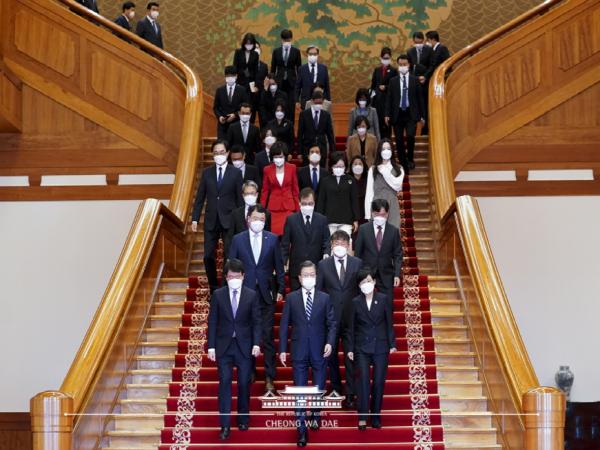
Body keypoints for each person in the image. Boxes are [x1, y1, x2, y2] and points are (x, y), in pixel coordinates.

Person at [228, 205, 286, 393]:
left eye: (262, 219)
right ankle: (249, 370)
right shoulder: (238, 239)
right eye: (255, 218)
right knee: (246, 335)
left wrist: (281, 288)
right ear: (248, 219)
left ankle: (270, 377)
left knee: (267, 336)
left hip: (266, 295)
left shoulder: (272, 239)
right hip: (244, 295)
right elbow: (230, 267)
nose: (258, 222)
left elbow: (279, 266)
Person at [279, 261, 336, 447]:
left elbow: (332, 324)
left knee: (319, 387)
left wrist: (329, 342)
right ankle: (301, 430)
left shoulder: (325, 298)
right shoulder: (291, 298)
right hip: (299, 351)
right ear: (299, 277)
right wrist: (282, 350)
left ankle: (316, 414)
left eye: (312, 274)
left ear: (316, 277)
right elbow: (284, 325)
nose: (309, 278)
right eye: (306, 275)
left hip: (320, 350)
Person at [207, 258, 261, 440]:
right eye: (231, 276)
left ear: (243, 276)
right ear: (226, 277)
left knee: (244, 383)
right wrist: (211, 346)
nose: (234, 279)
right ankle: (224, 425)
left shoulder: (251, 295)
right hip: (223, 347)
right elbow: (213, 321)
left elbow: (256, 322)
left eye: (237, 276)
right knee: (224, 383)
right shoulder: (218, 295)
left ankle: (243, 418)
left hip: (244, 347)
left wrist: (256, 343)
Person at [344, 268, 396, 429]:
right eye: (363, 282)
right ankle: (362, 415)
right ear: (359, 285)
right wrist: (350, 348)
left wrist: (392, 344)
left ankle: (375, 415)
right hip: (361, 347)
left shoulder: (383, 299)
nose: (366, 284)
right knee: (363, 381)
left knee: (379, 382)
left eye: (368, 280)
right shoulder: (355, 302)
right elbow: (351, 327)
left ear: (374, 281)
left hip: (381, 346)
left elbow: (389, 323)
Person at [316, 230, 362, 406]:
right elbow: (319, 292)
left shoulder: (357, 263)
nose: (340, 246)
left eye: (343, 243)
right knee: (331, 356)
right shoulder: (323, 265)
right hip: (331, 319)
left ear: (349, 245)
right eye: (337, 243)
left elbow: (360, 290)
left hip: (351, 319)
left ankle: (351, 392)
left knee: (351, 356)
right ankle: (336, 387)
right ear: (331, 245)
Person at [192, 140, 243, 292]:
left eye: (221, 152)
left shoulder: (235, 173)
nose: (218, 155)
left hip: (229, 220)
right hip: (211, 220)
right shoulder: (207, 173)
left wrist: (241, 220)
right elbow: (200, 197)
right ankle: (214, 287)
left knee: (229, 255)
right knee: (208, 255)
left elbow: (240, 199)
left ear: (227, 153)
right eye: (215, 153)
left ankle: (225, 287)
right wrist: (195, 218)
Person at [281, 188, 331, 291]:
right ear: (299, 203)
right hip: (296, 269)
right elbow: (285, 244)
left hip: (316, 268)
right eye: (304, 203)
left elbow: (326, 240)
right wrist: (283, 262)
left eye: (310, 203)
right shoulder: (291, 220)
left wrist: (326, 253)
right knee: (296, 298)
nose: (307, 206)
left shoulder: (322, 219)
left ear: (314, 203)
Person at [354, 199, 403, 302]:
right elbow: (358, 253)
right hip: (366, 275)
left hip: (386, 275)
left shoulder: (393, 231)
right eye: (377, 214)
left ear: (387, 214)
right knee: (365, 305)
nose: (380, 217)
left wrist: (397, 274)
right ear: (372, 213)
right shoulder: (363, 229)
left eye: (383, 214)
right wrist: (359, 273)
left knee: (387, 305)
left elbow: (398, 254)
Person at [385, 54, 424, 171]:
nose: (402, 66)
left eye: (404, 64)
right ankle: (402, 161)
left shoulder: (415, 80)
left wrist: (423, 115)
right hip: (397, 114)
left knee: (411, 136)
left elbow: (420, 99)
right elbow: (389, 99)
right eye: (400, 64)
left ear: (409, 65)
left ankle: (410, 159)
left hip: (411, 113)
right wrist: (387, 114)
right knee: (398, 139)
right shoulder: (393, 81)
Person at [316, 152, 359, 239]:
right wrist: (319, 219)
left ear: (345, 166)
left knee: (345, 243)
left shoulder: (351, 180)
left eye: (341, 166)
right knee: (330, 244)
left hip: (346, 220)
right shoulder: (325, 181)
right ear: (331, 166)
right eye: (336, 166)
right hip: (329, 220)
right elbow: (321, 201)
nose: (338, 168)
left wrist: (355, 219)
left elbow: (354, 200)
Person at [364, 139, 404, 229]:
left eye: (388, 149)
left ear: (392, 151)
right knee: (378, 233)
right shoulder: (373, 169)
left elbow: (397, 186)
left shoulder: (399, 169)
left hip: (392, 204)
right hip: (376, 204)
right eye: (383, 149)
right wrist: (368, 214)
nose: (386, 151)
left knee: (393, 231)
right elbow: (369, 192)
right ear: (379, 151)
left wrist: (385, 171)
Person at [260, 142, 299, 235]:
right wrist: (261, 210)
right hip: (273, 209)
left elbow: (295, 191)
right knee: (274, 235)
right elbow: (264, 191)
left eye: (280, 157)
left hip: (288, 207)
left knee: (288, 234)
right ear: (272, 157)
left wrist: (298, 211)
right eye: (276, 157)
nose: (278, 159)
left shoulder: (292, 168)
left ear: (285, 156)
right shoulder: (267, 169)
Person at [224, 180, 271, 256]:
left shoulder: (266, 213)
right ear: (243, 195)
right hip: (240, 255)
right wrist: (230, 258)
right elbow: (230, 238)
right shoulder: (235, 214)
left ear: (257, 194)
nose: (250, 196)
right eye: (247, 194)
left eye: (252, 193)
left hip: (259, 253)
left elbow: (268, 236)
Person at [271, 29, 302, 124]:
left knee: (291, 107)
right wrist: (272, 82)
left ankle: (290, 127)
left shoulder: (296, 51)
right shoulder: (276, 51)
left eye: (288, 40)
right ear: (281, 40)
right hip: (279, 83)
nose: (286, 42)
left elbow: (299, 68)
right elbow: (273, 69)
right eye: (285, 40)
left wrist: (299, 83)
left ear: (291, 39)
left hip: (292, 83)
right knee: (279, 105)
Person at [297, 90, 335, 166]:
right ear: (312, 101)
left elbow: (330, 134)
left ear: (323, 102)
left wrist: (333, 151)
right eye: (316, 103)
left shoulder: (326, 115)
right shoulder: (304, 114)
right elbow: (300, 134)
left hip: (322, 149)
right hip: (307, 148)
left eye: (320, 103)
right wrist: (299, 152)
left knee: (321, 171)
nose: (318, 105)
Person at [213, 66, 250, 138]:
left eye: (232, 75)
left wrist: (235, 115)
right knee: (222, 143)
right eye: (228, 76)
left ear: (236, 76)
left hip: (237, 124)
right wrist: (220, 117)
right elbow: (216, 107)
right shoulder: (219, 90)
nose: (230, 78)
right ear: (225, 77)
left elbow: (246, 106)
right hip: (223, 126)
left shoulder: (242, 90)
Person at [407, 32, 433, 135]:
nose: (418, 44)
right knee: (415, 106)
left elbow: (432, 66)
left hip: (425, 83)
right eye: (416, 42)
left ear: (423, 40)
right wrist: (413, 79)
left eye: (419, 42)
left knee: (425, 106)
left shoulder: (429, 50)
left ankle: (426, 129)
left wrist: (425, 77)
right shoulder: (410, 51)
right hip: (414, 82)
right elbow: (408, 67)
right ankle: (414, 129)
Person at [370, 47, 397, 139]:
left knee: (387, 127)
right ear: (381, 58)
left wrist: (386, 87)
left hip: (387, 103)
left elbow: (395, 87)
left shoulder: (393, 70)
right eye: (384, 58)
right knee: (377, 127)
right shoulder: (377, 70)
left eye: (388, 58)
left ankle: (387, 144)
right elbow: (373, 85)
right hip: (377, 102)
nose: (386, 60)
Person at [349, 156, 368, 229]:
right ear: (351, 166)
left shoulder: (368, 180)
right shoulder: (347, 180)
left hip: (365, 214)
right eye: (355, 164)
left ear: (364, 166)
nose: (358, 166)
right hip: (351, 216)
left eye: (360, 164)